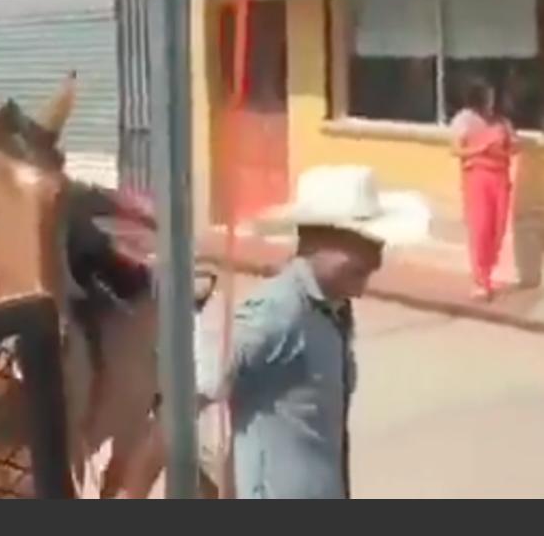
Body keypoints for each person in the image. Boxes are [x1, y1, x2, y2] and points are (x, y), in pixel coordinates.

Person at [115, 166, 429, 499]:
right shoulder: (276, 312)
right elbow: (183, 404)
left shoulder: (335, 310)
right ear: (318, 240)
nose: (376, 258)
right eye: (363, 243)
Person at [450, 77, 519, 301]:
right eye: (487, 96)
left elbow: (513, 147)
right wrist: (482, 148)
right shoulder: (465, 120)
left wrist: (512, 146)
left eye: (493, 96)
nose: (491, 100)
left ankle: (488, 272)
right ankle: (479, 280)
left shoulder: (501, 121)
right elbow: (456, 151)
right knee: (480, 228)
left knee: (497, 230)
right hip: (477, 177)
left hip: (500, 178)